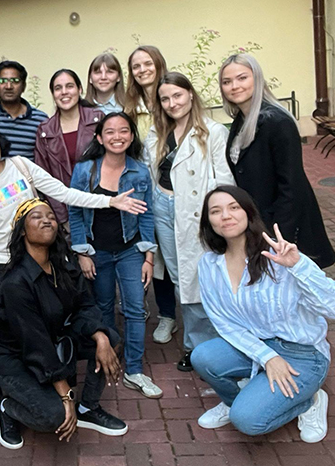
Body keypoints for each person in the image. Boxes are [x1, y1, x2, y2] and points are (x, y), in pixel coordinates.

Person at [0, 123, 146, 440]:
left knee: (73, 325)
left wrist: (108, 202)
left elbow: (62, 193)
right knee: (8, 334)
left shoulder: (20, 165)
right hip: (6, 266)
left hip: (45, 255)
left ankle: (86, 406)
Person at [192, 185, 335, 443]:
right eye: (215, 211)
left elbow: (334, 308)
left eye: (233, 208)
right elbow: (224, 322)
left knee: (249, 421)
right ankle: (234, 401)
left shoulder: (279, 257)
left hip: (303, 354)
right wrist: (267, 357)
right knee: (203, 356)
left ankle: (310, 401)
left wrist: (299, 266)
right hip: (257, 346)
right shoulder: (209, 265)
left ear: (248, 213)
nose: (225, 216)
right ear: (209, 222)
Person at [0, 199, 129, 449]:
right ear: (22, 231)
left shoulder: (64, 265)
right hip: (14, 356)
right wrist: (66, 396)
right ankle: (5, 408)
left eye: (50, 216)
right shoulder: (15, 282)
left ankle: (88, 408)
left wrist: (100, 337)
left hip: (52, 342)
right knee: (55, 416)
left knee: (112, 340)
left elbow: (85, 306)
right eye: (36, 217)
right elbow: (35, 342)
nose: (46, 220)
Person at [144, 72, 235, 371]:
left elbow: (224, 181)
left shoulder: (213, 131)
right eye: (165, 99)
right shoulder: (156, 134)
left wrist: (223, 220)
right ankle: (195, 347)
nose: (172, 103)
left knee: (203, 279)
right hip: (163, 207)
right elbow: (149, 175)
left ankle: (213, 346)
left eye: (177, 96)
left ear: (191, 95)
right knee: (181, 277)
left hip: (196, 213)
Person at [69, 112, 162, 398]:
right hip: (97, 252)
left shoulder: (139, 171)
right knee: (105, 306)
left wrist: (149, 256)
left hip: (130, 250)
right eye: (110, 132)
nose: (117, 136)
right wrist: (82, 251)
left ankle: (134, 369)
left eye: (124, 131)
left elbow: (146, 215)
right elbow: (74, 209)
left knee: (135, 308)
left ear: (132, 136)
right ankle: (109, 356)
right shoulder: (85, 170)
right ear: (99, 137)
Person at [219, 54, 335, 268]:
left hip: (282, 227)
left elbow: (291, 184)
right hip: (258, 222)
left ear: (257, 79)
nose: (234, 86)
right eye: (227, 82)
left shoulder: (277, 122)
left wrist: (279, 236)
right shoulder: (241, 120)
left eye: (242, 78)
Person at [123, 45, 178, 342]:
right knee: (155, 252)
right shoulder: (130, 106)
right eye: (135, 66)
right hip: (145, 189)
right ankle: (167, 315)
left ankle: (202, 313)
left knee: (185, 251)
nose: (142, 70)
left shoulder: (170, 97)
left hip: (175, 187)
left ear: (158, 64)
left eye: (147, 64)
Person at [34, 69, 104, 225]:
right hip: (65, 212)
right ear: (52, 94)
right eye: (58, 88)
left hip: (101, 206)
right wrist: (64, 220)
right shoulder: (45, 131)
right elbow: (43, 179)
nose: (64, 92)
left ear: (79, 89)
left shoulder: (97, 119)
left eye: (69, 86)